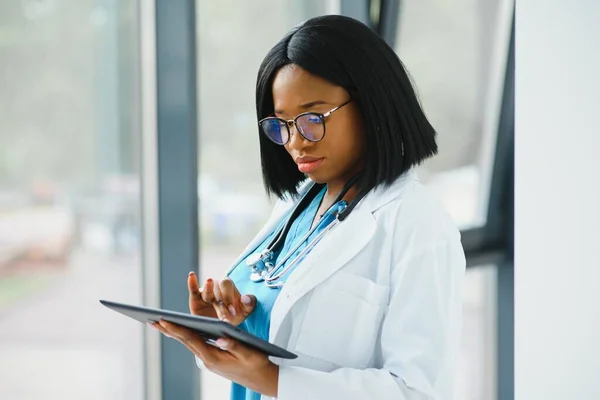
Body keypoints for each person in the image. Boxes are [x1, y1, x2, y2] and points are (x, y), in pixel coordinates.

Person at [149, 15, 466, 400]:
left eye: (313, 118)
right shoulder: (296, 203)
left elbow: (418, 391)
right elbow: (278, 334)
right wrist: (224, 328)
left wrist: (272, 378)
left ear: (371, 102)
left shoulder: (419, 225)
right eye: (281, 124)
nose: (296, 142)